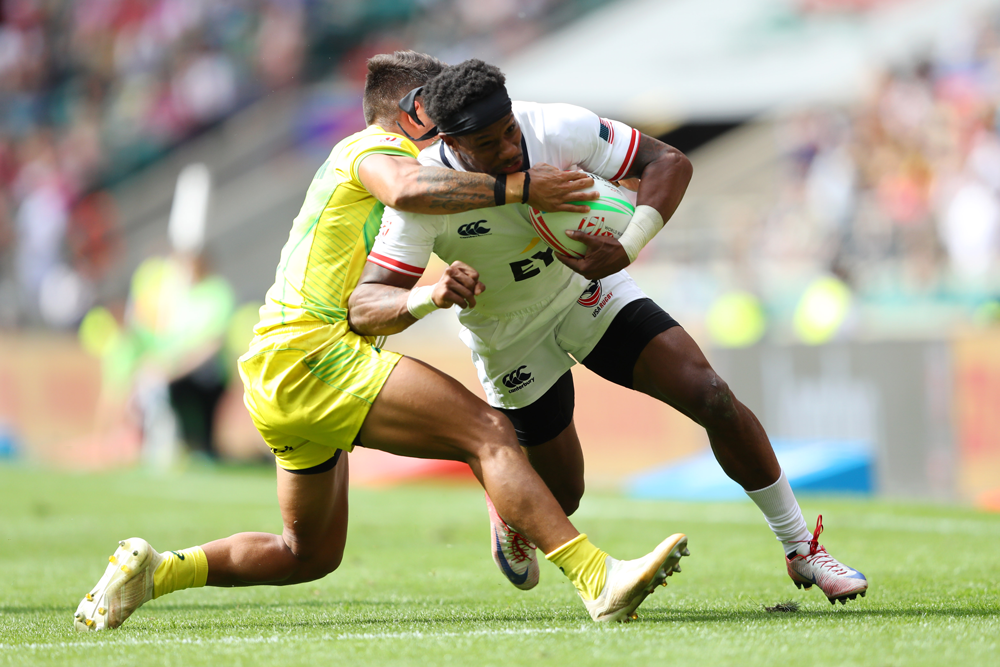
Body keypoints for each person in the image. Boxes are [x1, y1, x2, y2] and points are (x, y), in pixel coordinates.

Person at [73, 51, 690, 632]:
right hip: (312, 352)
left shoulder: (398, 166)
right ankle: (597, 579)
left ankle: (156, 571)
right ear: (417, 108)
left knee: (306, 554)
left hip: (278, 372)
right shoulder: (373, 147)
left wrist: (428, 295)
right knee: (490, 433)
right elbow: (405, 190)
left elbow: (376, 297)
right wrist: (525, 187)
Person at [350, 58, 869, 606]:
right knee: (563, 496)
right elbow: (366, 304)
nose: (507, 147)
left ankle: (801, 549)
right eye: (487, 142)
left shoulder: (552, 127)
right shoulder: (426, 192)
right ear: (451, 142)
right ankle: (510, 508)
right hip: (509, 336)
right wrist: (429, 296)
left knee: (711, 396)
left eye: (508, 131)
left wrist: (628, 244)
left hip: (588, 293)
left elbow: (667, 161)